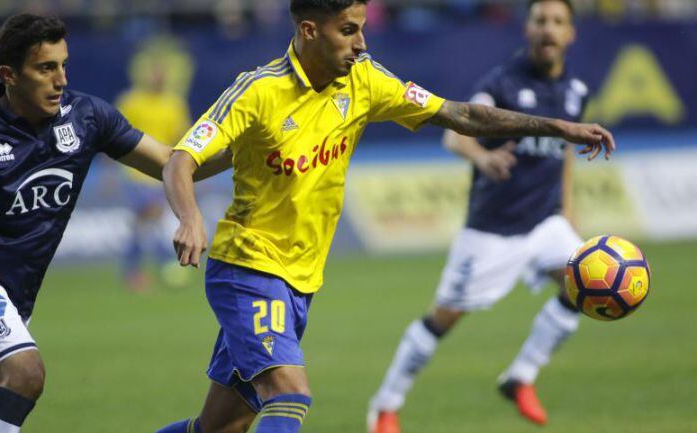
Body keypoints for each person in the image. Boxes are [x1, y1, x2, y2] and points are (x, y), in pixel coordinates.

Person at [157, 1, 613, 433]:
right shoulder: (258, 90)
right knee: (290, 395)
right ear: (309, 30)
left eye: (363, 29)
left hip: (300, 279)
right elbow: (181, 159)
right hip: (248, 268)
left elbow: (460, 114)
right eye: (349, 30)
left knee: (218, 428)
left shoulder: (365, 80)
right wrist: (189, 216)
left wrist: (558, 127)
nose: (361, 44)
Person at [0, 14, 220, 433]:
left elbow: (173, 162)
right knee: (25, 375)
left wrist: (249, 152)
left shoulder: (86, 117)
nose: (61, 79)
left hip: (13, 303)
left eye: (64, 65)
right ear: (9, 74)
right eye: (46, 68)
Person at [367, 0, 588, 430]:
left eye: (558, 22)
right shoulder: (502, 83)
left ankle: (522, 375)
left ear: (571, 34)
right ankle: (385, 405)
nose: (548, 29)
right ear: (527, 28)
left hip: (546, 222)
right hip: (493, 230)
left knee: (585, 281)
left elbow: (564, 158)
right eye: (541, 20)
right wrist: (482, 159)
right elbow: (454, 135)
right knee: (443, 318)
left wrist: (569, 215)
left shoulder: (575, 91)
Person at [115, 37, 195, 293]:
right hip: (135, 171)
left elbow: (181, 138)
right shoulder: (132, 101)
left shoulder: (173, 104)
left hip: (162, 172)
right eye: (153, 74)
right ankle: (159, 266)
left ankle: (137, 270)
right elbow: (114, 134)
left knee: (145, 225)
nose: (157, 78)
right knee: (147, 218)